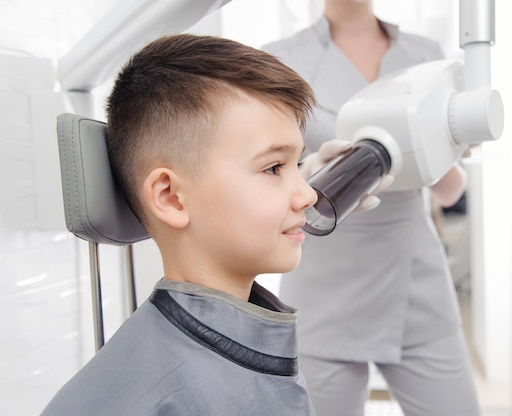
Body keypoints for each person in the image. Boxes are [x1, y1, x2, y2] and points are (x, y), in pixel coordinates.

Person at [41, 34, 320, 415]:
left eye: (298, 165)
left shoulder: (249, 345)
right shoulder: (138, 397)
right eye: (274, 167)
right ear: (170, 197)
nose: (308, 195)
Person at [263, 1, 481, 415]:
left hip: (414, 278)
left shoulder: (425, 53)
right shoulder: (281, 60)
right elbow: (265, 178)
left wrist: (443, 146)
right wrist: (309, 171)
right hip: (324, 287)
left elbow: (450, 190)